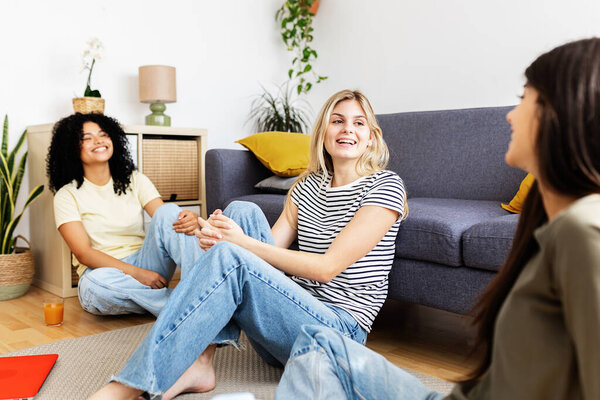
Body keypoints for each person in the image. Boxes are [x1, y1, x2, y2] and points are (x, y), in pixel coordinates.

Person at [273, 37, 600, 400]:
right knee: (319, 345)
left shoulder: (583, 230)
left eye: (524, 100)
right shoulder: (551, 222)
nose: (510, 114)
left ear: (561, 114)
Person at [89, 89, 407, 399]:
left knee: (234, 254)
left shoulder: (386, 186)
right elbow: (267, 258)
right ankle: (200, 362)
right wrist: (213, 232)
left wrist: (236, 244)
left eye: (358, 123)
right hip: (285, 327)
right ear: (323, 131)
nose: (347, 129)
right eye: (337, 121)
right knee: (242, 211)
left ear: (372, 137)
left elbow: (326, 269)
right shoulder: (306, 187)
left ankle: (127, 387)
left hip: (337, 339)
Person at [47, 113, 204, 317]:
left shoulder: (135, 180)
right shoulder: (66, 195)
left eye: (103, 134)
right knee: (95, 289)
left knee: (170, 211)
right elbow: (84, 253)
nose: (99, 141)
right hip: (104, 273)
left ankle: (200, 288)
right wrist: (139, 275)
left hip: (147, 262)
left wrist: (188, 220)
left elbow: (167, 220)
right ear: (71, 149)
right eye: (87, 138)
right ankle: (191, 306)